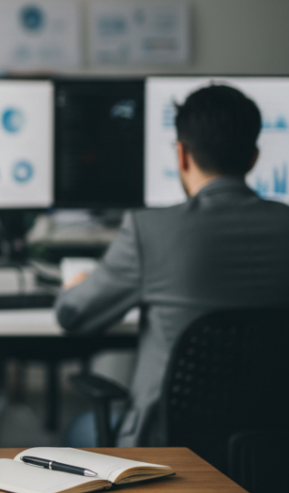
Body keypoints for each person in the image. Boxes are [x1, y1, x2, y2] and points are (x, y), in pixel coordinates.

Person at [55, 84, 289, 446]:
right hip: (269, 448)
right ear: (253, 157)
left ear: (182, 155)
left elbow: (73, 316)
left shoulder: (150, 231)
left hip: (167, 449)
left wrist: (76, 286)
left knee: (77, 431)